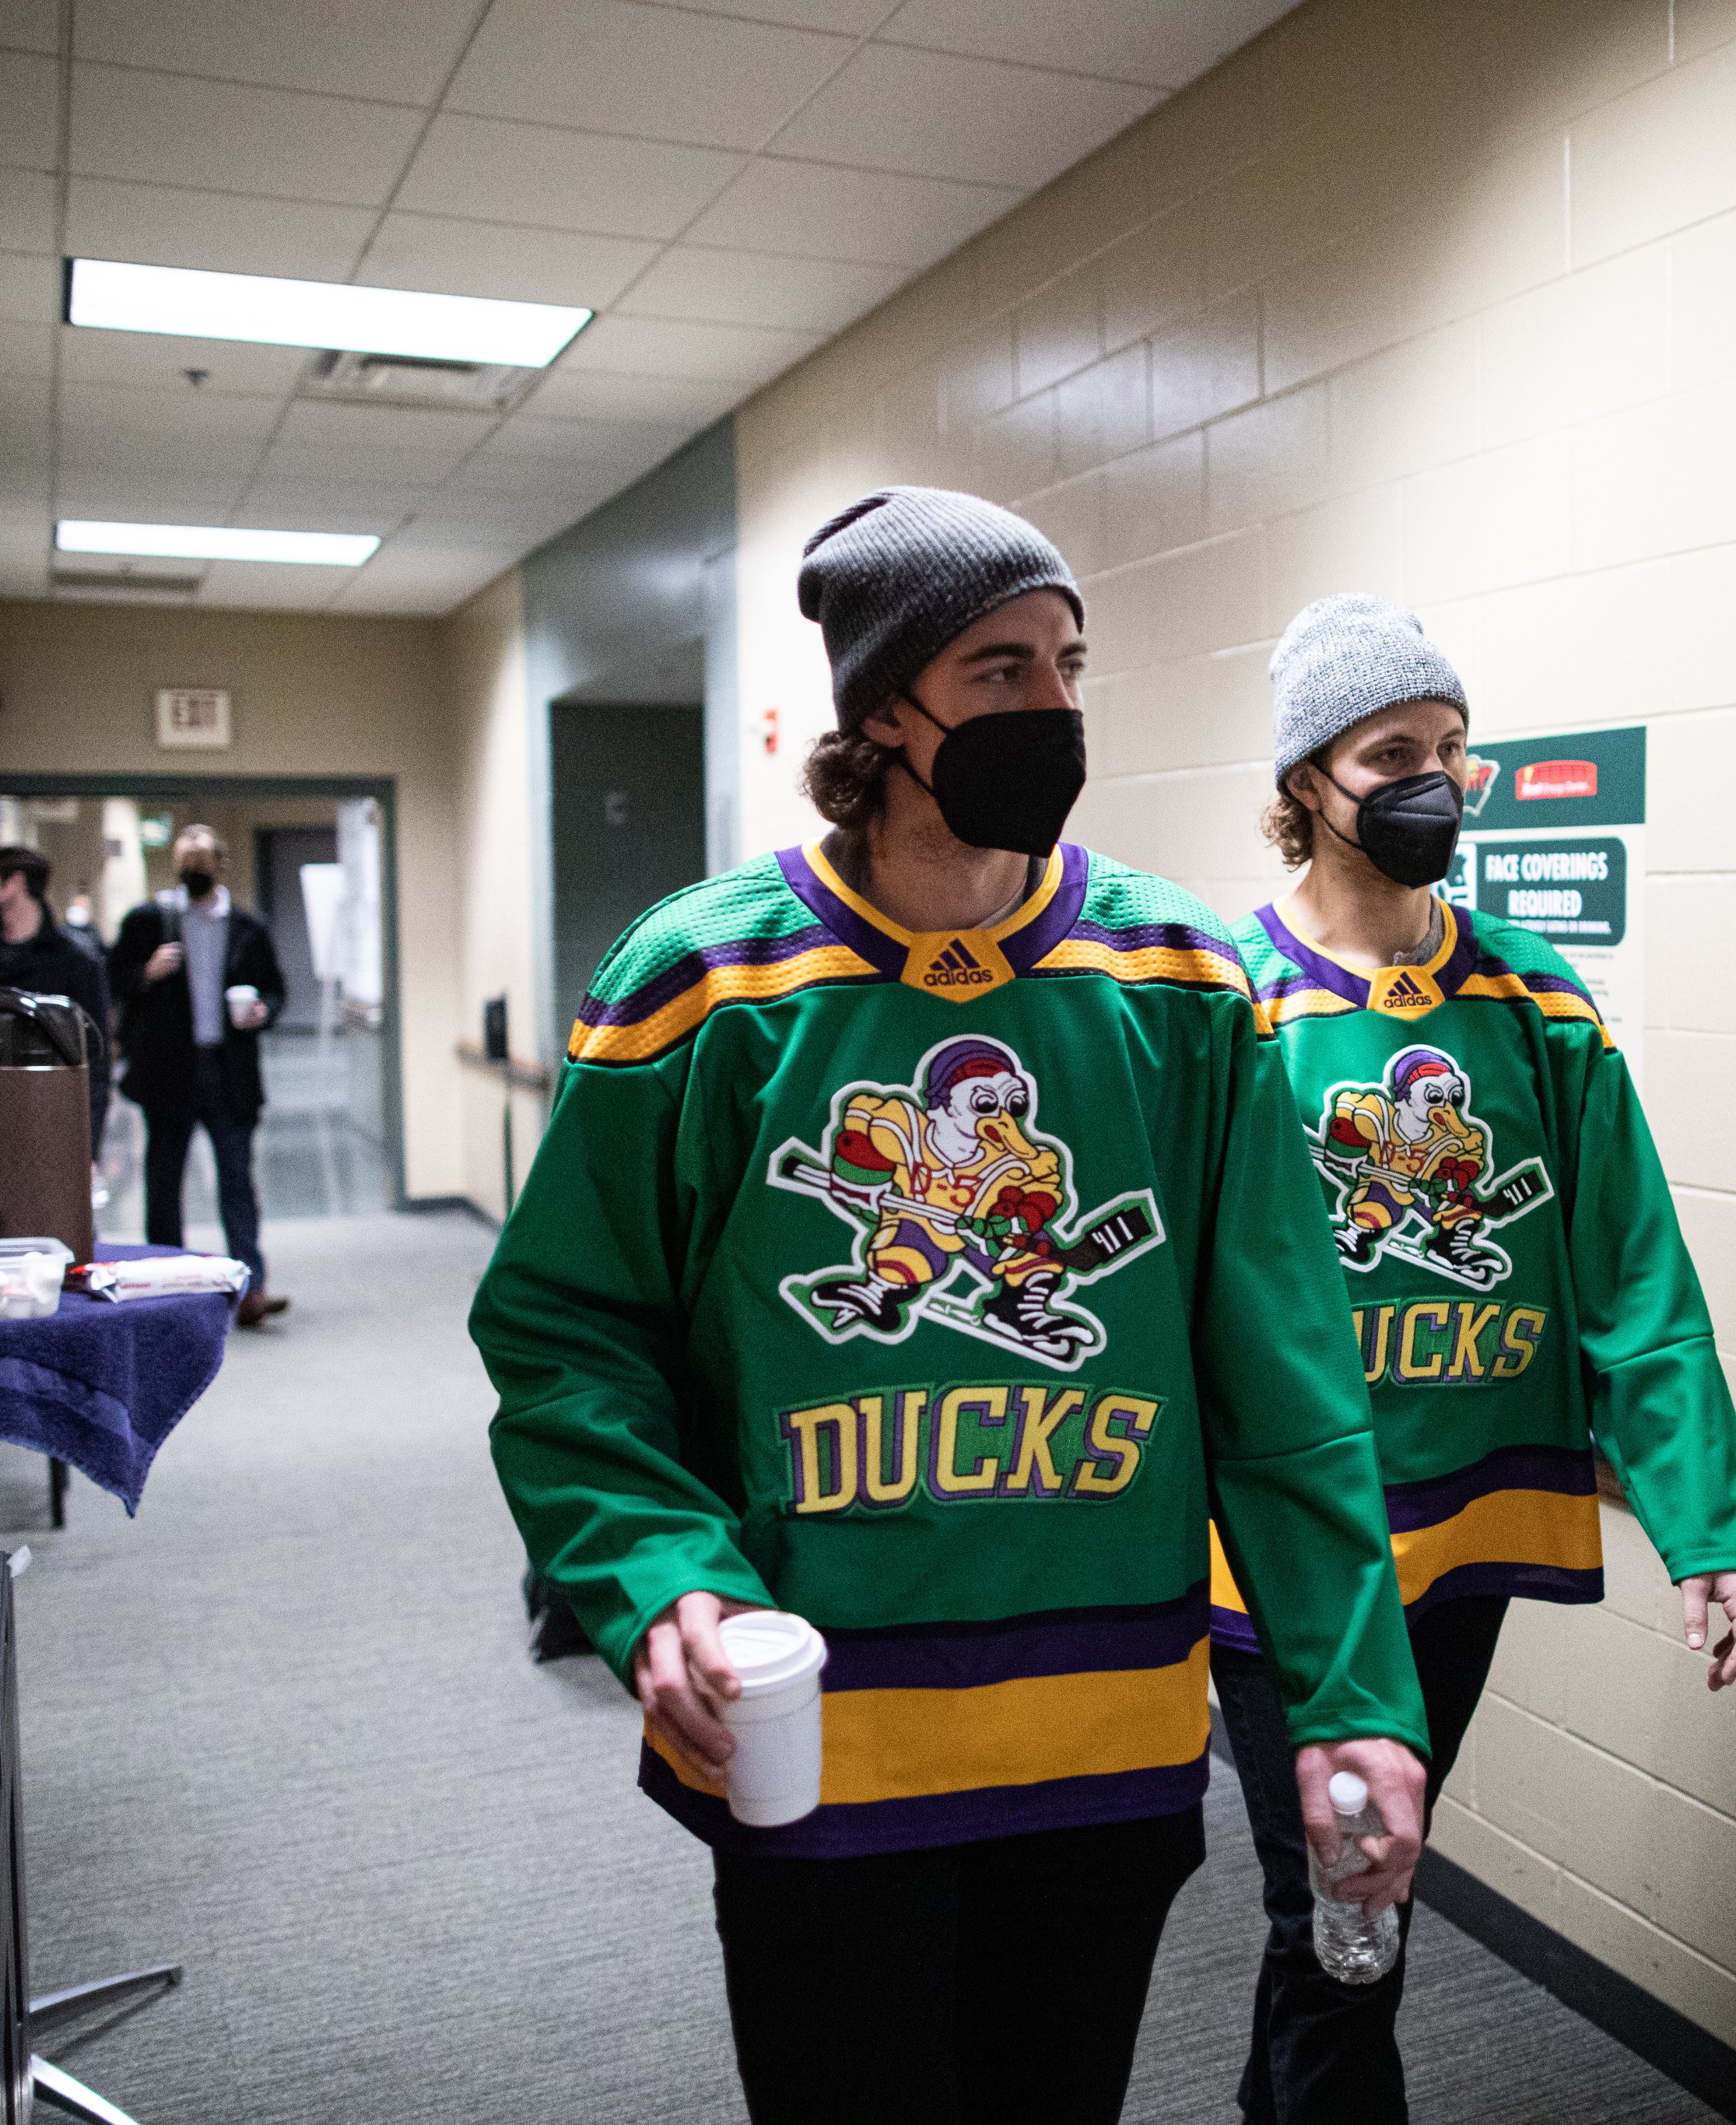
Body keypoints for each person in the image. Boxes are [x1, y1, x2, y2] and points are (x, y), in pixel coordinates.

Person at [470, 489, 1429, 2125]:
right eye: (998, 670)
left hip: (1098, 1739)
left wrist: (1351, 1700)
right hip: (822, 1740)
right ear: (880, 710)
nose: (1051, 710)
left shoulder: (1180, 983)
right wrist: (659, 1582)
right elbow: (570, 1343)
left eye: (1069, 664)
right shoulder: (701, 988)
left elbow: (1282, 1381)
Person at [1209, 594, 1736, 2123]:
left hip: (1459, 1533)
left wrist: (1705, 1526)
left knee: (1357, 1911)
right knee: (1337, 1914)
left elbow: (1633, 1278)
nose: (1433, 780)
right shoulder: (1222, 1005)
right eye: (1389, 750)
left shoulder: (1530, 1002)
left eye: (1452, 750)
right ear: (1303, 788)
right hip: (1274, 1546)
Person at [109, 824, 290, 1328]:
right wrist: (147, 973)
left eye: (203, 857)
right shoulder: (149, 921)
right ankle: (165, 1291)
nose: (194, 865)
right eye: (185, 856)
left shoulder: (248, 927)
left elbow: (276, 990)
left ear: (221, 864)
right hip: (169, 1071)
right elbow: (114, 979)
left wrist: (263, 1011)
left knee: (237, 1180)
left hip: (228, 1071)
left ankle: (251, 1289)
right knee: (164, 1181)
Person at [0, 843, 112, 1153]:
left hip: (49, 1118)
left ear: (17, 884)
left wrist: (88, 1146)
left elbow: (96, 1060)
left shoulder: (75, 961)